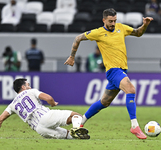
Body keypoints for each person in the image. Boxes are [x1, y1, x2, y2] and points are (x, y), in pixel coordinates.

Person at [64, 8, 153, 139]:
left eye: (115, 20)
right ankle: (135, 126)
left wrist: (144, 25)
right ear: (104, 20)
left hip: (121, 70)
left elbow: (138, 33)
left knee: (104, 102)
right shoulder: (98, 33)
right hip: (113, 70)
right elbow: (78, 38)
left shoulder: (121, 28)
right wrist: (72, 56)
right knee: (131, 89)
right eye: (110, 21)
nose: (113, 23)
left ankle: (80, 123)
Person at [0, 78, 90, 139]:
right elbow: (48, 98)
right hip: (45, 116)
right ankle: (77, 128)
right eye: (28, 85)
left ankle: (77, 133)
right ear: (23, 87)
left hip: (39, 129)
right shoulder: (31, 91)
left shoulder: (12, 105)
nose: (29, 86)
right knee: (76, 116)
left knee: (70, 136)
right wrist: (52, 103)